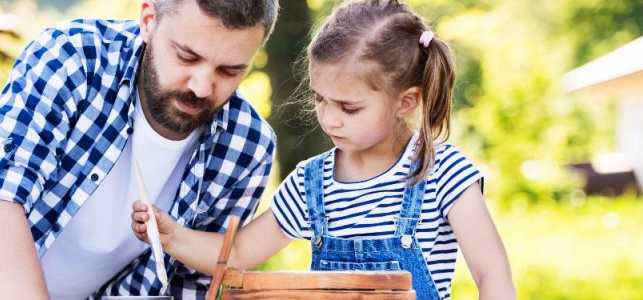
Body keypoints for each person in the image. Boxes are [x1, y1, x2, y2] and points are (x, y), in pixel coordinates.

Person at [0, 0, 278, 299]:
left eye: (229, 70)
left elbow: (189, 284)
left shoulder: (246, 148)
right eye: (186, 56)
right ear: (149, 19)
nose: (202, 86)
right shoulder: (75, 58)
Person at [131, 0, 516, 299]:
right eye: (320, 100)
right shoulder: (311, 183)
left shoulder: (442, 173)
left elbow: (492, 272)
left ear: (406, 102)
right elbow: (239, 253)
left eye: (349, 108)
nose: (330, 119)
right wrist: (172, 237)